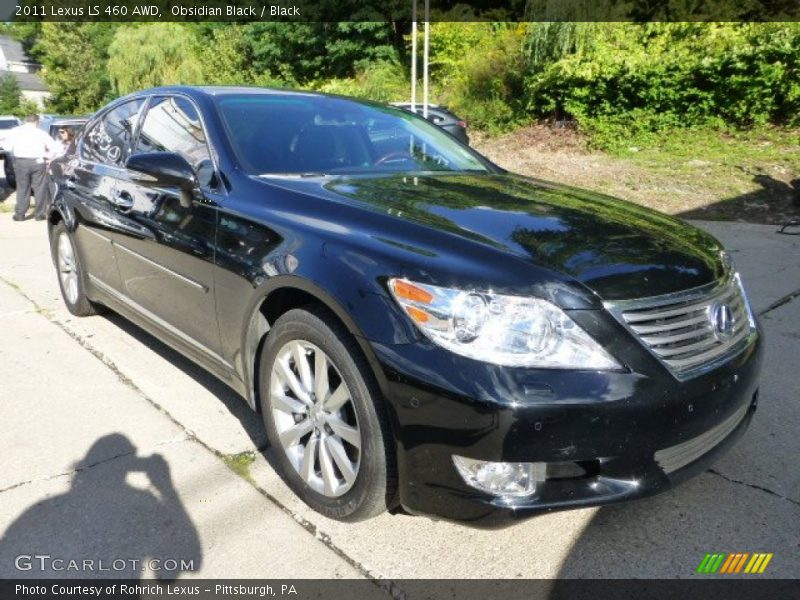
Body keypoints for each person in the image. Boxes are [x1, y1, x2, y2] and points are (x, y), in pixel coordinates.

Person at [6, 114, 57, 222]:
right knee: (39, 187)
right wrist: (48, 156)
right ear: (37, 121)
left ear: (26, 121)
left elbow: (7, 147)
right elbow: (53, 147)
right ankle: (40, 214)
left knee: (23, 188)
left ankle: (20, 214)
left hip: (21, 161)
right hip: (38, 161)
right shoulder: (41, 133)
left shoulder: (15, 131)